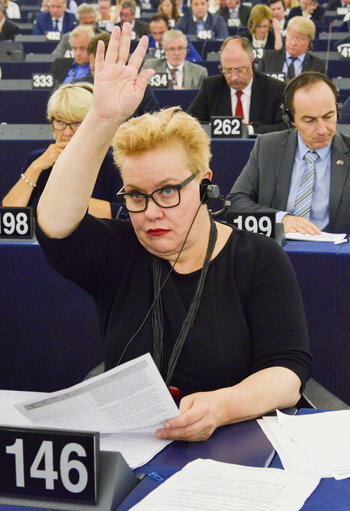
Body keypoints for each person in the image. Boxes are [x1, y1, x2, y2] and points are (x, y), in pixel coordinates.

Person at [36, 24, 312, 442]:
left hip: (235, 443)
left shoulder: (258, 258)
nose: (150, 212)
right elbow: (54, 225)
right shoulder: (117, 251)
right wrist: (102, 118)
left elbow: (287, 373)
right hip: (132, 449)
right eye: (135, 195)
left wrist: (220, 406)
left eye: (167, 191)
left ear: (205, 184)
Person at [227, 72, 350, 234]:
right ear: (291, 119)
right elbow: (235, 202)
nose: (322, 129)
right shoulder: (267, 147)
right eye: (309, 120)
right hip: (275, 252)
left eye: (328, 116)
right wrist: (281, 219)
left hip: (334, 255)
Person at [2, 83, 122, 219]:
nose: (67, 132)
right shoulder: (37, 160)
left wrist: (62, 202)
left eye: (77, 123)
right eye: (60, 122)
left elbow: (124, 214)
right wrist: (35, 169)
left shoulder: (113, 163)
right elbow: (8, 216)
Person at [188, 36, 286, 134]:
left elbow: (286, 127)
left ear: (252, 61)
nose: (234, 77)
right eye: (228, 70)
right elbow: (189, 123)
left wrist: (250, 130)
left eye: (239, 70)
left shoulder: (274, 89)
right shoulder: (211, 87)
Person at [71, 31, 160, 116]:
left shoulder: (139, 88)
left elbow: (154, 124)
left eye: (102, 71)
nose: (98, 77)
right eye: (93, 70)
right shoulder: (79, 88)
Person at [257, 17, 326, 81]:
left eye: (299, 39)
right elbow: (257, 84)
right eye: (290, 37)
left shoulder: (318, 66)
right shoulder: (268, 58)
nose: (293, 43)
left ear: (309, 42)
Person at [142, 29, 208, 89]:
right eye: (172, 49)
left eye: (180, 48)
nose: (176, 53)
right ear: (164, 50)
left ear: (186, 50)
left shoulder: (200, 72)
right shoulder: (150, 66)